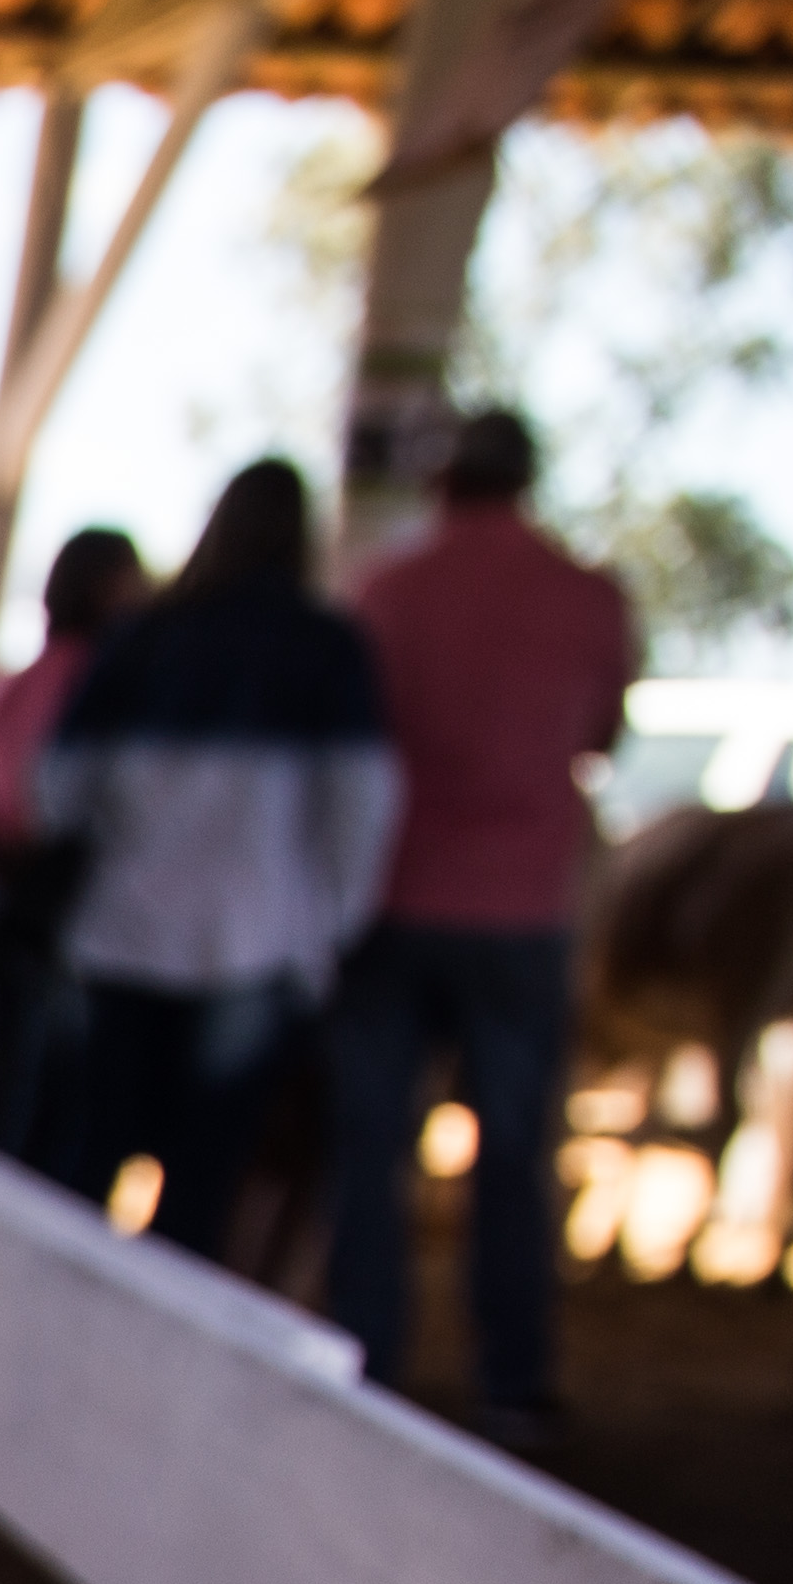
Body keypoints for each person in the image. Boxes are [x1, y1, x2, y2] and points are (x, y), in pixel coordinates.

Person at [320, 408, 636, 1446]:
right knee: (513, 1154)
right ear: (527, 481)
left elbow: (353, 741)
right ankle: (511, 1379)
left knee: (373, 1146)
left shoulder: (385, 589)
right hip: (521, 913)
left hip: (391, 903)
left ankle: (362, 1357)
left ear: (442, 482)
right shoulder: (588, 597)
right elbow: (602, 737)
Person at [35, 457, 397, 1277]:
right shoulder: (327, 648)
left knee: (86, 1162)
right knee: (202, 1183)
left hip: (120, 935)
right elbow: (362, 808)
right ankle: (155, 1348)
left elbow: (56, 788)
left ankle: (45, 1330)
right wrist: (333, 927)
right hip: (252, 944)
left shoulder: (143, 638)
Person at [0, 525, 146, 1166]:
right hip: (59, 906)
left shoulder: (18, 680)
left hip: (9, 896)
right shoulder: (95, 681)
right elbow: (47, 807)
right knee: (48, 1103)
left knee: (8, 1083)